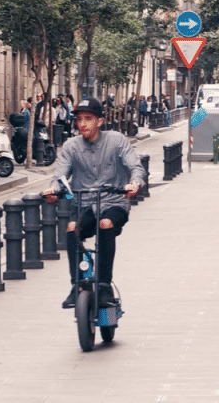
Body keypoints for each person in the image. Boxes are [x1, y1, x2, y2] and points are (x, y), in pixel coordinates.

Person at [41, 97, 144, 309]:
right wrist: (54, 191)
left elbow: (135, 166)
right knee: (72, 227)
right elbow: (60, 176)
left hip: (114, 202)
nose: (82, 124)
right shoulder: (70, 146)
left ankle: (104, 285)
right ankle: (77, 284)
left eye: (88, 118)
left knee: (105, 223)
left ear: (99, 121)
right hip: (85, 204)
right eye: (79, 119)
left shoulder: (116, 140)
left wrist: (134, 183)